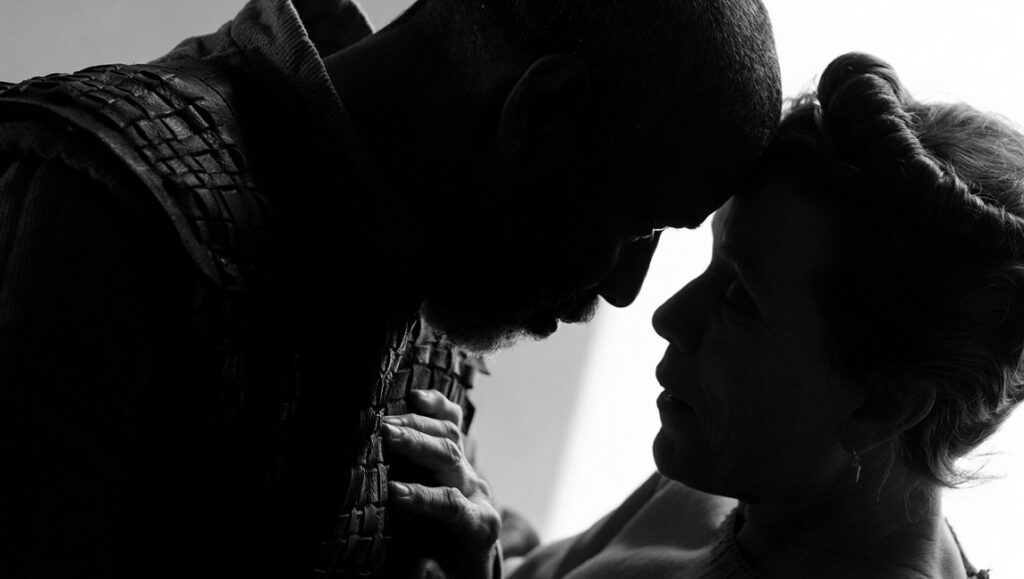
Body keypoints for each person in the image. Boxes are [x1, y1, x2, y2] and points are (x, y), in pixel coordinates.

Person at [0, 0, 781, 576]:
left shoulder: (423, 270)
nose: (623, 292)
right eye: (638, 226)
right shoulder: (103, 208)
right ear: (539, 112)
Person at [387, 52, 1024, 577]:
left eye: (742, 297)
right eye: (714, 262)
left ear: (883, 406)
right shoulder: (719, 482)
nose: (669, 317)